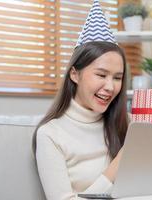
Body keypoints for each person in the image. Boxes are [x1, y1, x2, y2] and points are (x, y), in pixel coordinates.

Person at [32, 1, 129, 199]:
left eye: (117, 77)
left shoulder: (126, 122)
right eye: (101, 75)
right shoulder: (50, 135)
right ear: (75, 75)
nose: (110, 87)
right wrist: (119, 163)